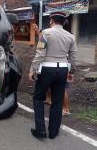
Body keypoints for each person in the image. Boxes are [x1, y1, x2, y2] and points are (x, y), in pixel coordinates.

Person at [28, 11, 77, 139]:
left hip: (47, 70)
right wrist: (71, 72)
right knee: (57, 101)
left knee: (38, 98)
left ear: (51, 20)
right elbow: (73, 56)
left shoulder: (45, 33)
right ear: (63, 21)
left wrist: (32, 69)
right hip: (62, 70)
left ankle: (41, 130)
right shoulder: (71, 36)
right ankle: (53, 132)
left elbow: (40, 53)